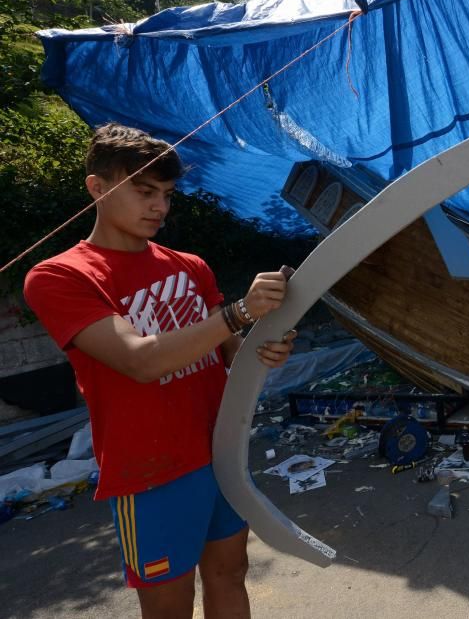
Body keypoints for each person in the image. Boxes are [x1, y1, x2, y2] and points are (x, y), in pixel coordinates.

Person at [23, 123, 297, 618]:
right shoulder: (60, 276)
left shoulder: (190, 266)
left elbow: (232, 352)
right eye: (144, 192)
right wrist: (238, 313)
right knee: (170, 606)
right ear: (98, 187)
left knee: (230, 574)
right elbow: (139, 361)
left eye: (167, 195)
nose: (159, 207)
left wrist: (268, 342)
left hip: (221, 453)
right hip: (149, 472)